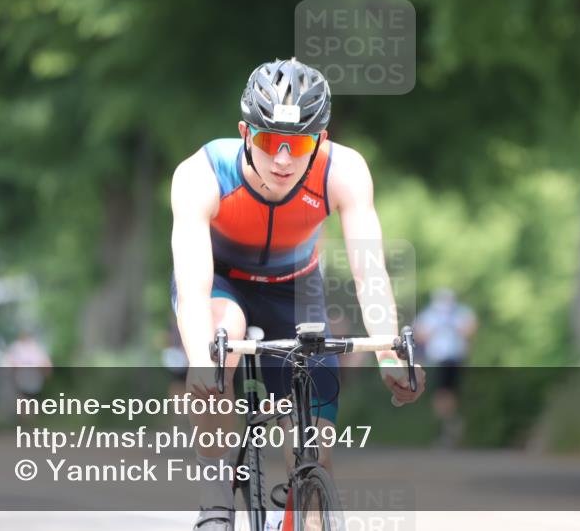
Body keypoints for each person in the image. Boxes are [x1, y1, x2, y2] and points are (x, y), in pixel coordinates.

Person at [170, 57, 426, 530]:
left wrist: (390, 353)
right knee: (222, 339)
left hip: (295, 289)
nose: (283, 159)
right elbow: (191, 288)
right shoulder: (200, 174)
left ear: (321, 141)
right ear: (246, 133)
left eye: (300, 143)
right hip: (223, 283)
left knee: (313, 451)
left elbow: (370, 274)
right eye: (269, 142)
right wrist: (201, 361)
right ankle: (216, 493)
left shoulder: (344, 171)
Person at [414, 288, 477, 447]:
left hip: (455, 357)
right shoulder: (430, 314)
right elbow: (419, 334)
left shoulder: (460, 313)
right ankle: (445, 427)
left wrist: (454, 326)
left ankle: (450, 426)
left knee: (451, 392)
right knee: (441, 393)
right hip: (437, 358)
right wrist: (435, 329)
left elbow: (471, 329)